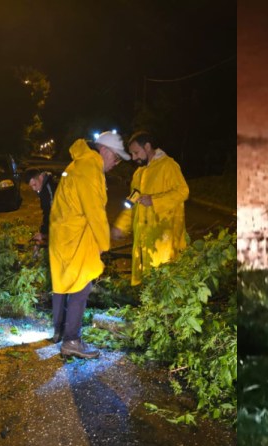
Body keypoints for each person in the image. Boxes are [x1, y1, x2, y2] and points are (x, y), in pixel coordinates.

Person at [48, 131, 128, 358]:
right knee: (81, 288)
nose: (116, 163)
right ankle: (71, 340)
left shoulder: (79, 163)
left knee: (63, 284)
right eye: (116, 157)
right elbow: (95, 211)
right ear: (104, 150)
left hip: (64, 234)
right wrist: (104, 244)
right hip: (77, 237)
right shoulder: (90, 167)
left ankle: (59, 331)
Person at [110, 131, 189, 285]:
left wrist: (154, 200)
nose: (134, 158)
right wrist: (120, 226)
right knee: (146, 285)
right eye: (132, 154)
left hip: (163, 240)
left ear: (147, 146)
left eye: (136, 152)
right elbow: (132, 202)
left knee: (163, 284)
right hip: (143, 241)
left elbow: (182, 192)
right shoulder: (139, 174)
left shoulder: (168, 166)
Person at [25, 168, 60, 247]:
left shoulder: (48, 188)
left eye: (34, 185)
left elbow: (50, 211)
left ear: (40, 177)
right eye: (31, 186)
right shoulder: (45, 184)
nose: (34, 189)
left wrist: (43, 233)